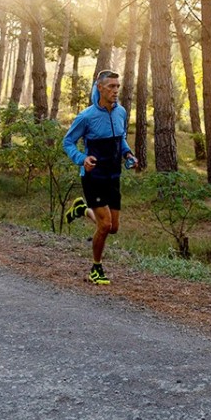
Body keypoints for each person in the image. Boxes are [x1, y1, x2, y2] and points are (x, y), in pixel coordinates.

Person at [62, 69, 138, 285]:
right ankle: (96, 268)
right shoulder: (86, 116)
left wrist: (128, 154)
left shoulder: (121, 112)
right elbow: (67, 142)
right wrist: (81, 159)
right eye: (111, 86)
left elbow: (120, 139)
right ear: (100, 88)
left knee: (113, 228)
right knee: (104, 226)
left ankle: (81, 209)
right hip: (93, 176)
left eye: (117, 86)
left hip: (114, 176)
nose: (116, 90)